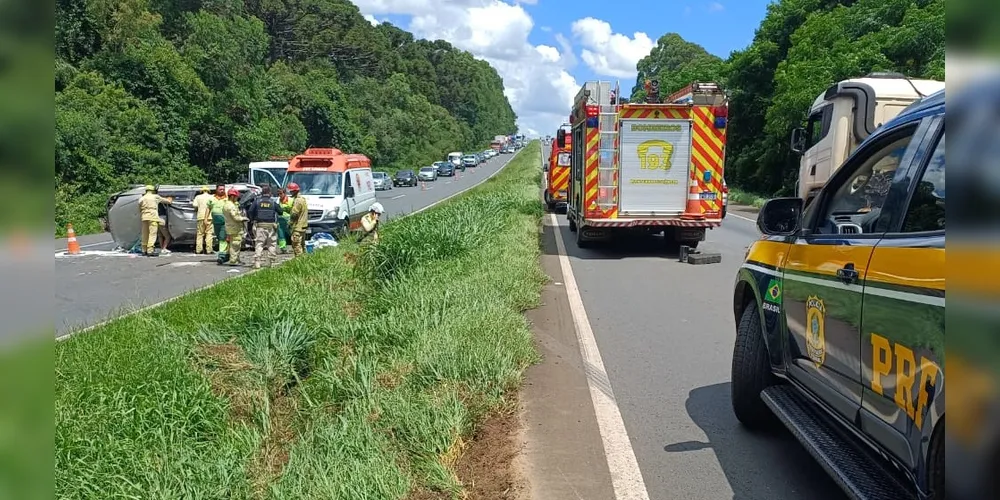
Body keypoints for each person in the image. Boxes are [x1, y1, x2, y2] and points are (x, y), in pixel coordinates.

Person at [247, 185, 282, 269]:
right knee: (272, 244)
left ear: (262, 193)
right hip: (271, 226)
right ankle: (271, 263)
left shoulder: (257, 201)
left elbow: (250, 211)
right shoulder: (273, 202)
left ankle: (257, 262)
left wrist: (252, 220)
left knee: (259, 244)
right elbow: (280, 212)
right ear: (269, 193)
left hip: (260, 226)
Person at [138, 184, 172, 256]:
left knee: (145, 234)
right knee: (152, 234)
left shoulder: (141, 198)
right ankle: (150, 250)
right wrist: (170, 199)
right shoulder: (155, 197)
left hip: (144, 217)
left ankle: (144, 250)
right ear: (153, 190)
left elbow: (139, 209)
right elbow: (167, 201)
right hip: (153, 217)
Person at [222, 188, 248, 266]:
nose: (237, 198)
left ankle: (236, 259)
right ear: (232, 196)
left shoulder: (226, 205)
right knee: (235, 244)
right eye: (236, 197)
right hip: (235, 228)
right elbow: (235, 217)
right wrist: (243, 218)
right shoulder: (231, 206)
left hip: (229, 227)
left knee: (232, 244)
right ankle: (233, 261)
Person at [287, 182, 309, 256]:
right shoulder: (303, 199)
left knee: (296, 245)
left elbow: (294, 214)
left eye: (291, 191)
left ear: (295, 191)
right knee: (302, 245)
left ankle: (299, 261)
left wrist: (290, 223)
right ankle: (305, 261)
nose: (290, 192)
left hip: (298, 227)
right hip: (303, 226)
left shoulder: (297, 201)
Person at [192, 185, 215, 254]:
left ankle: (199, 250)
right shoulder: (212, 197)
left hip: (200, 217)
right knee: (209, 234)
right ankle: (209, 250)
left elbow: (195, 205)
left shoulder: (198, 197)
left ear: (201, 191)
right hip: (210, 217)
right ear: (208, 191)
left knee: (200, 234)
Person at [208, 185, 228, 257]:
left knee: (222, 237)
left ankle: (222, 254)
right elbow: (208, 208)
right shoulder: (212, 198)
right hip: (216, 222)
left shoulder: (227, 198)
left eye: (223, 189)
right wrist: (205, 218)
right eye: (220, 189)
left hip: (225, 221)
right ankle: (226, 252)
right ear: (216, 190)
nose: (222, 190)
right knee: (219, 236)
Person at [276, 188, 293, 253]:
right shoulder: (278, 200)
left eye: (281, 193)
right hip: (280, 219)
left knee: (292, 233)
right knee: (281, 234)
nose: (279, 195)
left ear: (285, 193)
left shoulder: (290, 200)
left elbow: (293, 209)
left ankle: (295, 247)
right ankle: (283, 248)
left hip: (289, 219)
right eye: (278, 194)